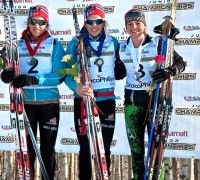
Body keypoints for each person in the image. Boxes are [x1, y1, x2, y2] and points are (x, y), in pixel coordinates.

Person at [1, 5, 67, 179]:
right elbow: (7, 73)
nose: (37, 26)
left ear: (46, 24)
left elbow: (59, 76)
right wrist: (7, 73)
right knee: (26, 149)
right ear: (28, 22)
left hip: (49, 104)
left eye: (41, 22)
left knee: (47, 149)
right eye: (33, 21)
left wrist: (34, 79)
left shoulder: (54, 44)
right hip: (25, 103)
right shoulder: (17, 44)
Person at [60, 3, 125, 180]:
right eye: (90, 21)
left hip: (106, 100)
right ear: (85, 22)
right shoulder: (76, 42)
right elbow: (64, 70)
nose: (94, 25)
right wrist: (76, 87)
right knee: (86, 147)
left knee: (105, 148)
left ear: (104, 22)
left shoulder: (114, 42)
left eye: (98, 21)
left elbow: (128, 63)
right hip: (83, 99)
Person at [119, 9, 186, 180]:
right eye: (130, 24)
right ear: (125, 27)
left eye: (138, 23)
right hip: (132, 103)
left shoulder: (157, 43)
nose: (134, 27)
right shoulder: (122, 46)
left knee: (156, 148)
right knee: (136, 149)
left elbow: (180, 63)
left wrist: (168, 71)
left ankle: (157, 178)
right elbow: (118, 72)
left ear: (145, 25)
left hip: (154, 102)